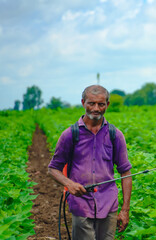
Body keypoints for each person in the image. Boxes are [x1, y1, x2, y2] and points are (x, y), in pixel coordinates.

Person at [48, 85, 132, 239]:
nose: (96, 108)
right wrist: (70, 184)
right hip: (81, 205)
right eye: (91, 103)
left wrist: (125, 210)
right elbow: (53, 168)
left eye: (101, 104)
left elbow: (125, 172)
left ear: (107, 105)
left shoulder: (115, 135)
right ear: (83, 103)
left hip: (109, 205)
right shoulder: (70, 135)